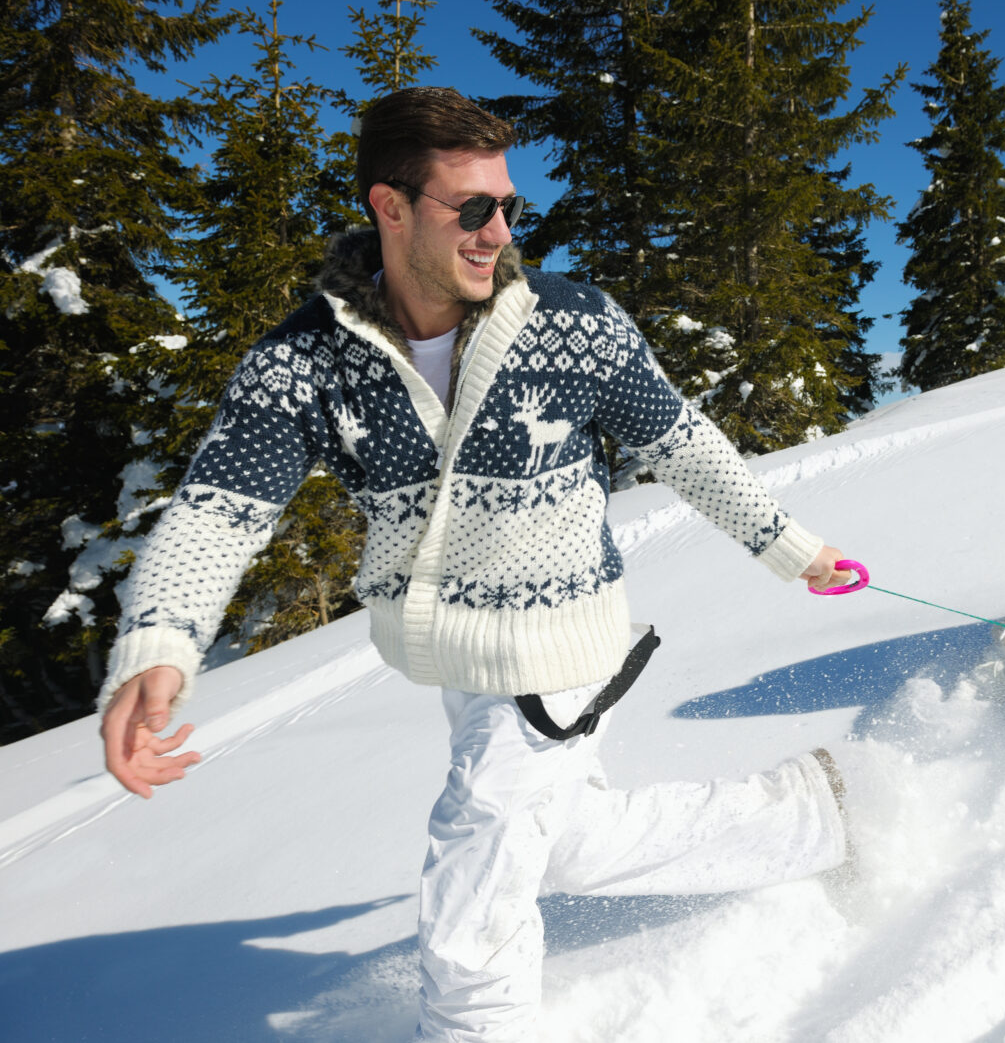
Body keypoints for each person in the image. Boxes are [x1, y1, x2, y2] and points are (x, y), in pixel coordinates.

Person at [96, 86, 856, 1041]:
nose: (498, 231)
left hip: (557, 642)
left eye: (507, 207)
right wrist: (157, 645)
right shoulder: (309, 360)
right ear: (390, 207)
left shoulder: (572, 324)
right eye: (472, 208)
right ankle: (811, 816)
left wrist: (791, 549)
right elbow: (219, 509)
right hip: (452, 649)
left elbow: (682, 443)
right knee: (560, 838)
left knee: (477, 865)